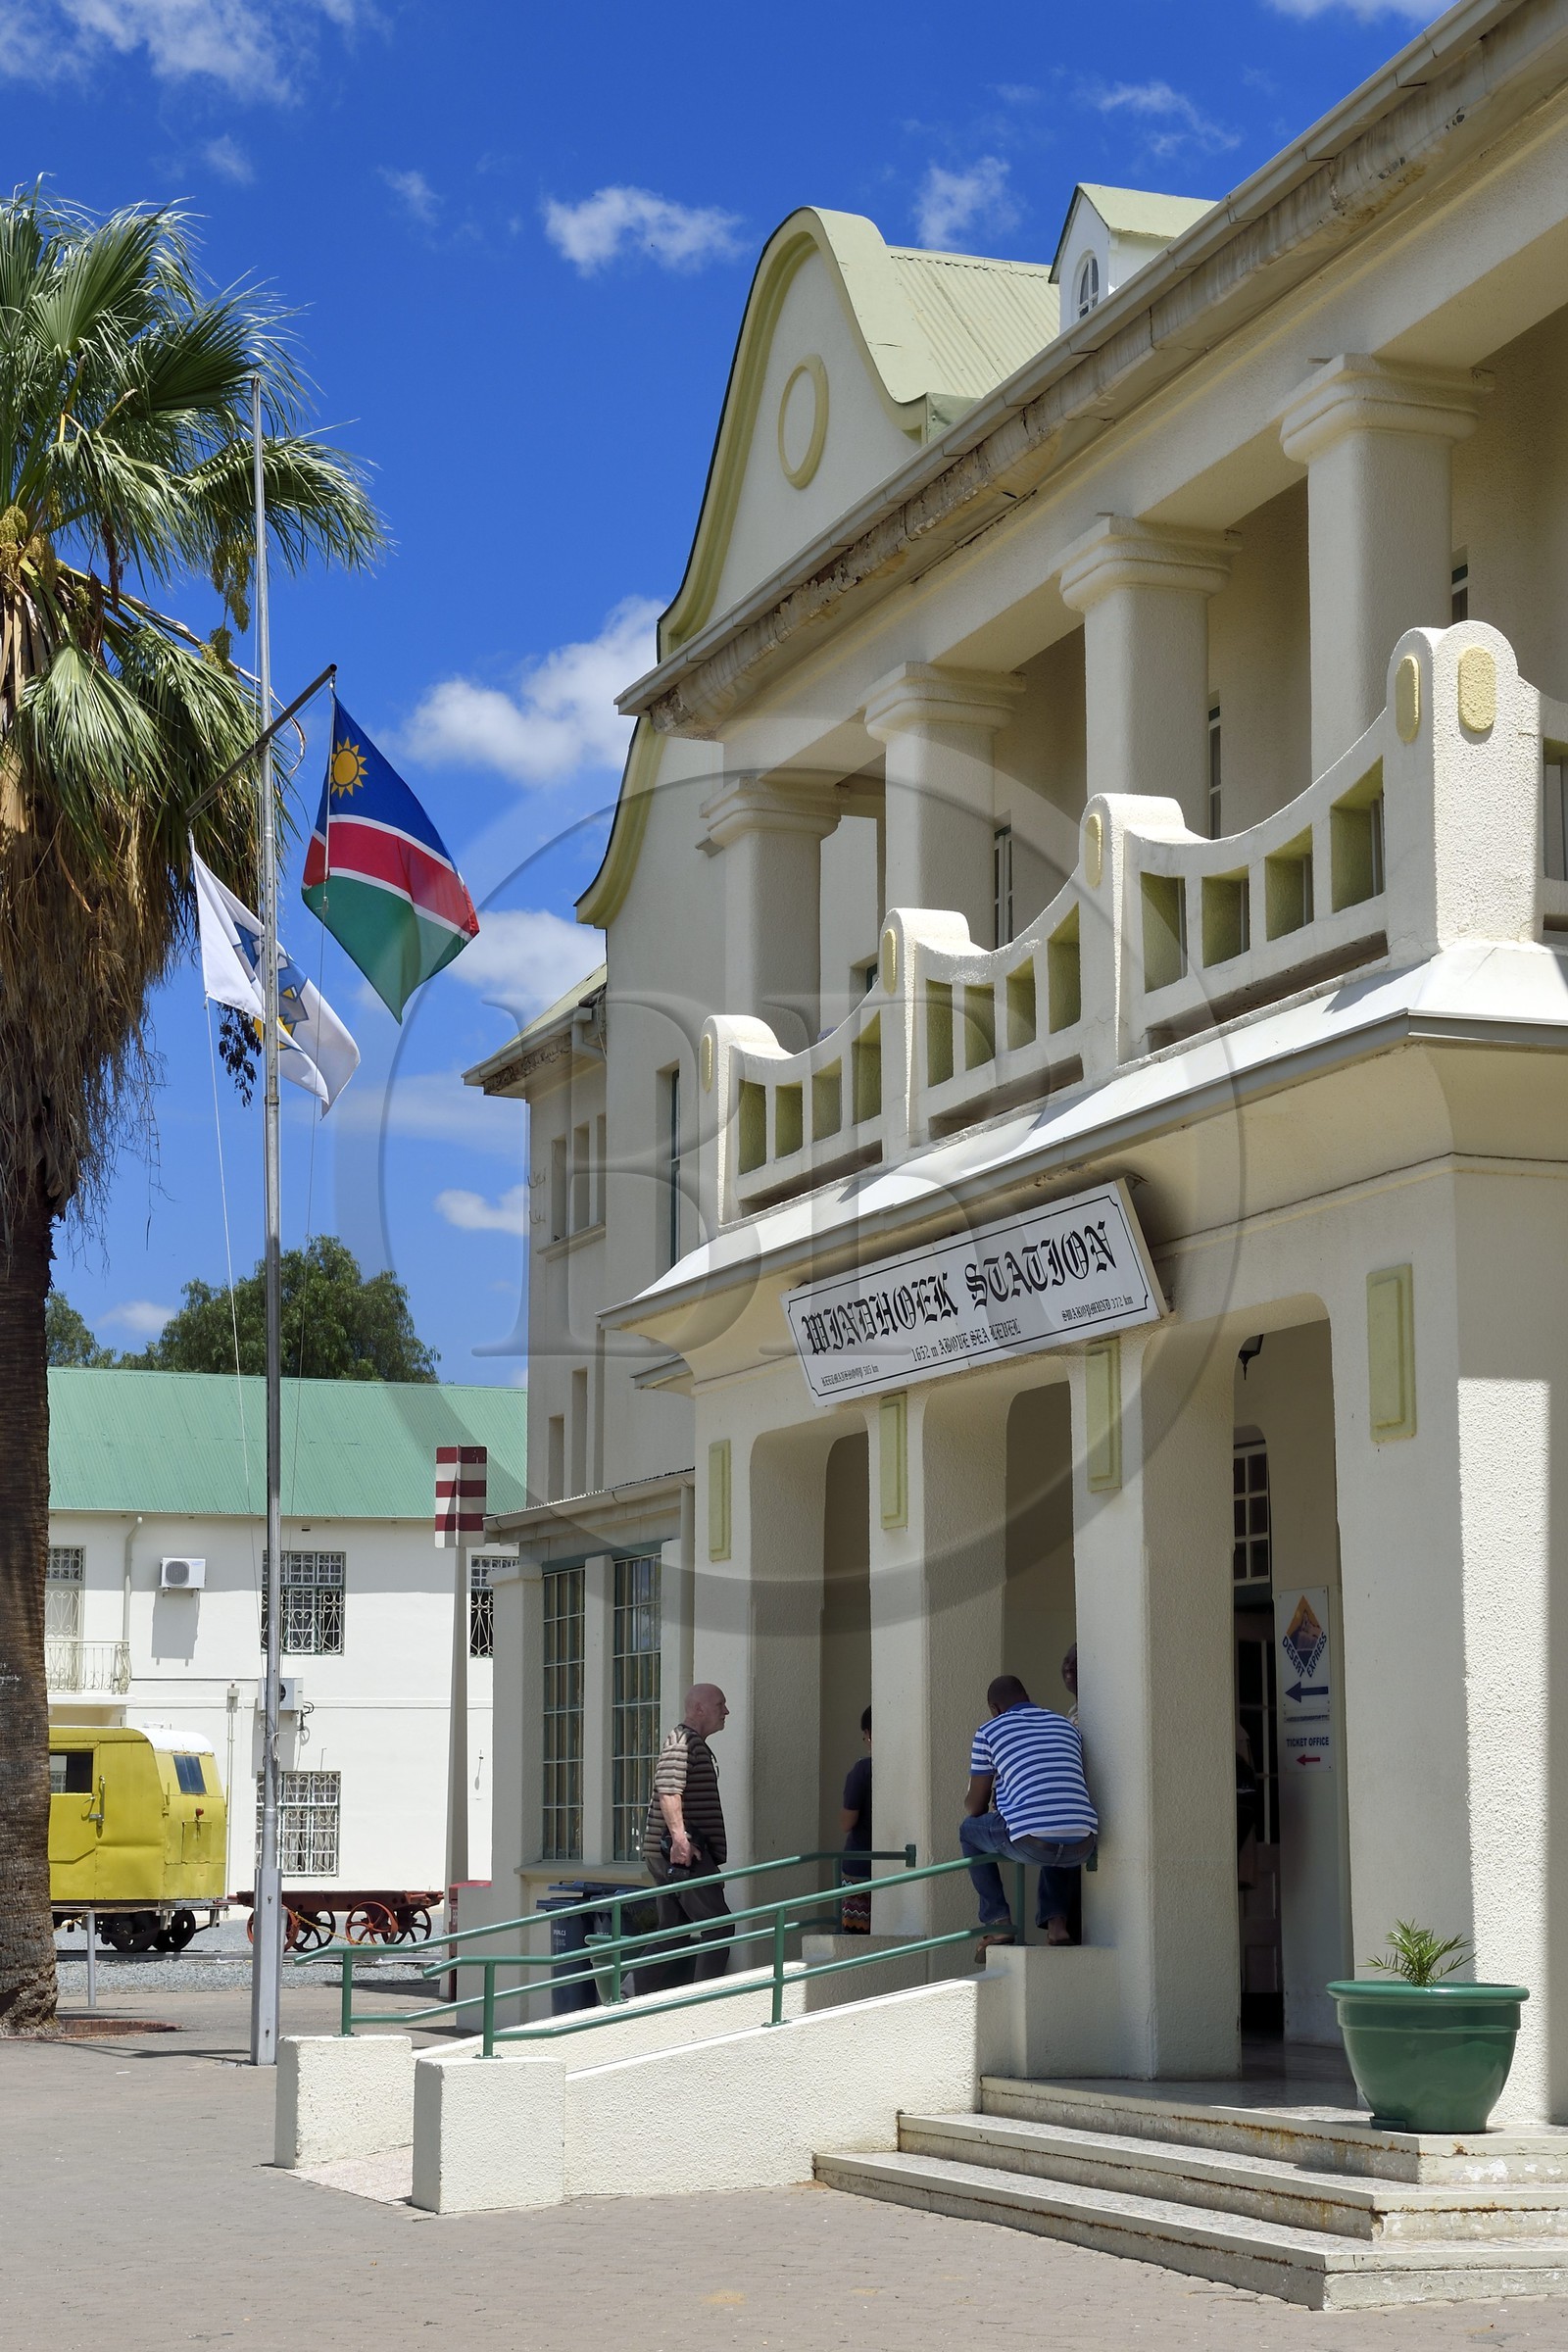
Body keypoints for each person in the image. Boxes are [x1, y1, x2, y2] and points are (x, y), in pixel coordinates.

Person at [961, 1672, 1098, 1959]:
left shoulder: (989, 1731)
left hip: (1032, 1842)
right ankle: (1057, 1926)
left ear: (994, 1709)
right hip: (1084, 1843)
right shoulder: (1065, 1725)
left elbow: (976, 1808)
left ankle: (998, 1922)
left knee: (968, 1831)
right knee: (1055, 1818)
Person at [640, 1683, 732, 1987]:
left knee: (673, 1932)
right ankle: (705, 2001)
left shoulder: (688, 1741)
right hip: (682, 1853)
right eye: (720, 1705)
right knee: (718, 1926)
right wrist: (680, 1840)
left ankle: (624, 1997)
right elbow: (668, 1791)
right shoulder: (682, 1742)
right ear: (700, 1709)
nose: (726, 1712)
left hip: (672, 1852)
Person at [839, 1705, 873, 1933]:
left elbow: (846, 1822)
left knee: (855, 1937)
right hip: (893, 1864)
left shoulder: (862, 1770)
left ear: (870, 1734)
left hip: (859, 1867)